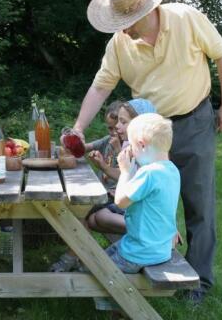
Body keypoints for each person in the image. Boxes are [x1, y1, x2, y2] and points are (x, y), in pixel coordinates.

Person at [73, 0, 222, 303]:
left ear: (143, 13)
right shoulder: (119, 44)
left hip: (192, 122)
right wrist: (79, 127)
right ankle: (151, 258)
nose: (121, 32)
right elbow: (100, 87)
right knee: (145, 201)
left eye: (124, 25)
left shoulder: (186, 18)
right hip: (147, 132)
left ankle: (198, 284)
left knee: (198, 204)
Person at [51, 98, 156, 272]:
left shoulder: (137, 151)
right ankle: (79, 256)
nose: (115, 130)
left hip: (120, 199)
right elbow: (80, 149)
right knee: (87, 215)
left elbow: (131, 180)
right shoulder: (115, 142)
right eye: (112, 127)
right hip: (115, 197)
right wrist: (71, 139)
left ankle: (72, 257)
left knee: (81, 211)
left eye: (120, 124)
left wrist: (105, 165)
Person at [93, 113, 180, 311]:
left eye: (131, 146)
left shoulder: (149, 173)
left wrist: (124, 172)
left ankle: (121, 307)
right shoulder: (171, 169)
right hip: (160, 248)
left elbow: (121, 202)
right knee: (99, 257)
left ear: (141, 144)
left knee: (99, 269)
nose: (129, 150)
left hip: (140, 251)